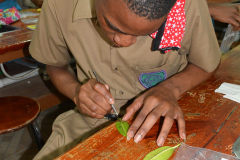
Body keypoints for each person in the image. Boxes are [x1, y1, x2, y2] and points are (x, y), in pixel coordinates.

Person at [29, 0, 221, 159]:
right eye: (113, 27)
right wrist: (77, 92)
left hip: (166, 118)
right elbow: (55, 65)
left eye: (144, 33)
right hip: (89, 122)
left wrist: (170, 89)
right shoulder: (59, 4)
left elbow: (206, 64)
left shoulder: (188, 4)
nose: (124, 42)